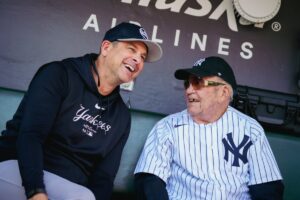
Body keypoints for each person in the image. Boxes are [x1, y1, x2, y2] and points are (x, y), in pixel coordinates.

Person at [0, 22, 162, 200]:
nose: (138, 60)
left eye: (142, 57)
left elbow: (104, 178)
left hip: (72, 190)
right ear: (106, 47)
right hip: (21, 170)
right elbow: (31, 136)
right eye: (131, 49)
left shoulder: (121, 116)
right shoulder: (59, 74)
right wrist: (36, 192)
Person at [134, 56, 284, 200]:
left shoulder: (251, 130)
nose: (188, 90)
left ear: (223, 92)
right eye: (187, 84)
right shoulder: (167, 127)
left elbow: (268, 187)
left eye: (198, 82)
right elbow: (149, 180)